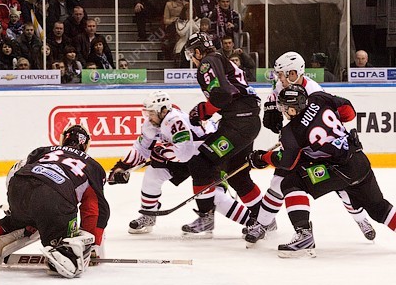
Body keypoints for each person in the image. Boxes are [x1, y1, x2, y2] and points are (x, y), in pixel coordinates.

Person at [247, 85, 396, 258]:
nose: (283, 111)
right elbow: (349, 112)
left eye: (284, 107)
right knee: (379, 208)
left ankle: (304, 235)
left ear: (293, 109)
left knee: (290, 183)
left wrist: (262, 158)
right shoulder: (318, 98)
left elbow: (286, 163)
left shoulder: (291, 132)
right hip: (359, 160)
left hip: (338, 170)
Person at [245, 51, 375, 245]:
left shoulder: (314, 91)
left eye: (281, 74)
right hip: (302, 147)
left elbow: (333, 118)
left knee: (344, 188)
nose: (278, 78)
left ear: (293, 73)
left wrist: (295, 138)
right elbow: (278, 104)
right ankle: (262, 224)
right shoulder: (281, 85)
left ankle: (361, 219)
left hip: (325, 147)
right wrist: (272, 110)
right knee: (279, 181)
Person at [108, 90, 251, 235]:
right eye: (147, 113)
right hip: (189, 156)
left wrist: (161, 152)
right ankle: (148, 214)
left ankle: (253, 222)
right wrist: (122, 167)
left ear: (163, 111)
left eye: (151, 113)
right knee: (153, 173)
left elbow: (184, 154)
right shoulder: (152, 123)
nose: (148, 117)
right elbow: (141, 148)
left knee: (213, 196)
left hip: (209, 156)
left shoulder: (175, 121)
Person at [0, 125, 110, 278]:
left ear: (63, 139)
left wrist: (14, 206)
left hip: (18, 187)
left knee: (22, 219)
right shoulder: (94, 167)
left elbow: (14, 171)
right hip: (54, 197)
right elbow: (95, 208)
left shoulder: (42, 151)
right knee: (62, 239)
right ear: (86, 144)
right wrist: (92, 242)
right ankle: (64, 253)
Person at [181, 32, 263, 235]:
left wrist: (203, 111)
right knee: (237, 174)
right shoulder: (219, 58)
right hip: (247, 122)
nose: (192, 59)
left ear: (198, 51)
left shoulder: (207, 62)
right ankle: (264, 220)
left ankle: (206, 217)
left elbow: (223, 94)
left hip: (238, 123)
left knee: (200, 163)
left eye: (191, 54)